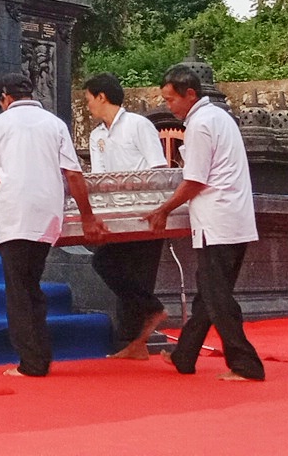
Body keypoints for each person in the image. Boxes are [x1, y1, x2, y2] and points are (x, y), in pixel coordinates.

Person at [145, 65, 265, 381]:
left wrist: (164, 209)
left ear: (190, 94)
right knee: (210, 292)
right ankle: (185, 354)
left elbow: (194, 180)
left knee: (216, 295)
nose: (169, 106)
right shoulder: (220, 118)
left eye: (171, 100)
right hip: (234, 217)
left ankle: (245, 362)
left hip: (217, 220)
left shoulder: (199, 124)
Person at [0, 71, 103, 378]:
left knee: (18, 289)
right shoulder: (55, 123)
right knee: (32, 283)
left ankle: (31, 360)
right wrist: (87, 215)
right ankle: (40, 354)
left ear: (5, 98)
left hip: (15, 214)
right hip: (48, 214)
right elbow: (73, 174)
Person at [82, 73, 170, 359]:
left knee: (139, 274)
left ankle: (137, 342)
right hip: (112, 212)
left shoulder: (138, 125)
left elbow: (158, 168)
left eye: (88, 99)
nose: (88, 106)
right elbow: (98, 178)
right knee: (105, 263)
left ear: (101, 97)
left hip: (145, 211)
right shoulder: (96, 136)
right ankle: (142, 326)